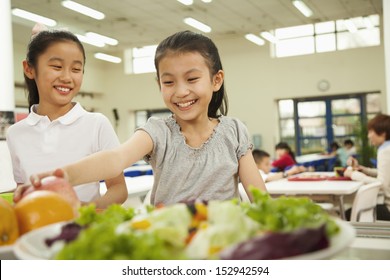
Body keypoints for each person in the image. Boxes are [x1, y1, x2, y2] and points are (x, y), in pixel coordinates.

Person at [15, 30, 267, 206]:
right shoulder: (157, 131)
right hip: (168, 246)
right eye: (168, 82)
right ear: (159, 83)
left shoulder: (234, 131)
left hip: (225, 245)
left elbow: (258, 196)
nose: (181, 91)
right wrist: (63, 175)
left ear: (216, 80)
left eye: (192, 79)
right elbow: (115, 159)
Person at [7, 24, 127, 208]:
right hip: (37, 230)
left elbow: (118, 188)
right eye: (56, 66)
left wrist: (88, 212)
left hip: (82, 231)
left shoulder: (96, 124)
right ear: (29, 69)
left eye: (76, 69)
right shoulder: (15, 133)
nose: (67, 77)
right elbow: (23, 190)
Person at [344, 114, 390, 220]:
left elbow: (382, 184)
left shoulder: (385, 151)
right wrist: (364, 170)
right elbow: (386, 174)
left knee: (347, 214)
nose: (368, 136)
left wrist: (353, 174)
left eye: (370, 132)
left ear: (382, 133)